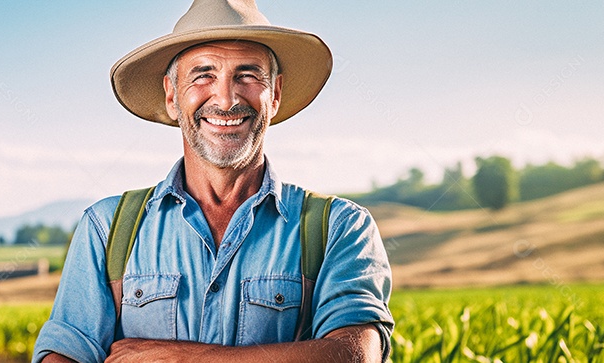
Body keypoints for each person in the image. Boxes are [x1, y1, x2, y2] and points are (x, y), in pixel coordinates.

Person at [32, 1, 394, 362]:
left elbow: (357, 355)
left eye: (248, 75)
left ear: (276, 94)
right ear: (172, 96)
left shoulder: (340, 227)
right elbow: (63, 355)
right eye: (203, 74)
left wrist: (184, 358)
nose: (226, 99)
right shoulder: (106, 227)